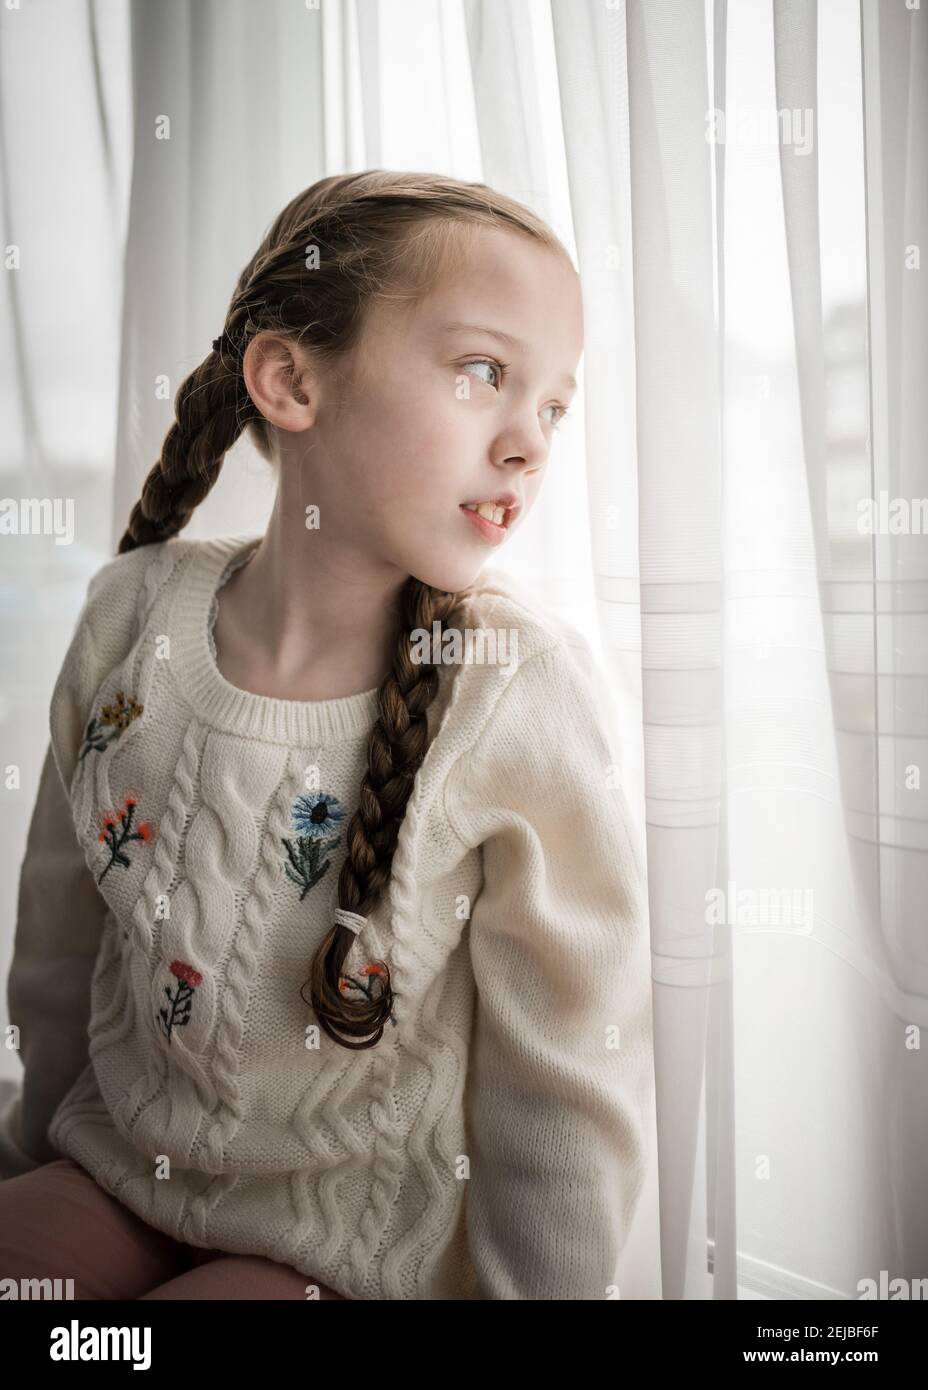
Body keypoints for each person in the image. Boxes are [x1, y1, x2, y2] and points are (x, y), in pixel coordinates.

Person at [0, 169, 653, 1300]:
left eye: (553, 404)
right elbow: (60, 942)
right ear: (291, 379)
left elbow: (566, 1082)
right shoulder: (130, 614)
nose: (528, 443)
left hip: (338, 1246)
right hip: (114, 1170)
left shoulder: (515, 690)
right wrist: (37, 1156)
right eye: (484, 373)